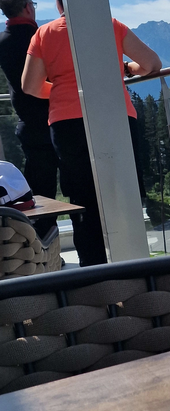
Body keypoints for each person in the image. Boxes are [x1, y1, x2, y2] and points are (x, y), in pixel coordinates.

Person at [21, 0, 160, 266]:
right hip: (115, 115)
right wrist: (127, 69)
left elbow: (30, 86)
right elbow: (152, 63)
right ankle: (136, 267)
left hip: (67, 123)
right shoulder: (111, 26)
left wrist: (66, 89)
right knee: (124, 192)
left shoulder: (44, 34)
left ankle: (92, 272)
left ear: (59, 4)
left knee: (82, 198)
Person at [0, 0, 59, 237]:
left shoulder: (3, 42)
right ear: (27, 7)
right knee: (78, 185)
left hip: (29, 125)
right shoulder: (41, 37)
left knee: (40, 193)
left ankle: (39, 243)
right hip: (58, 120)